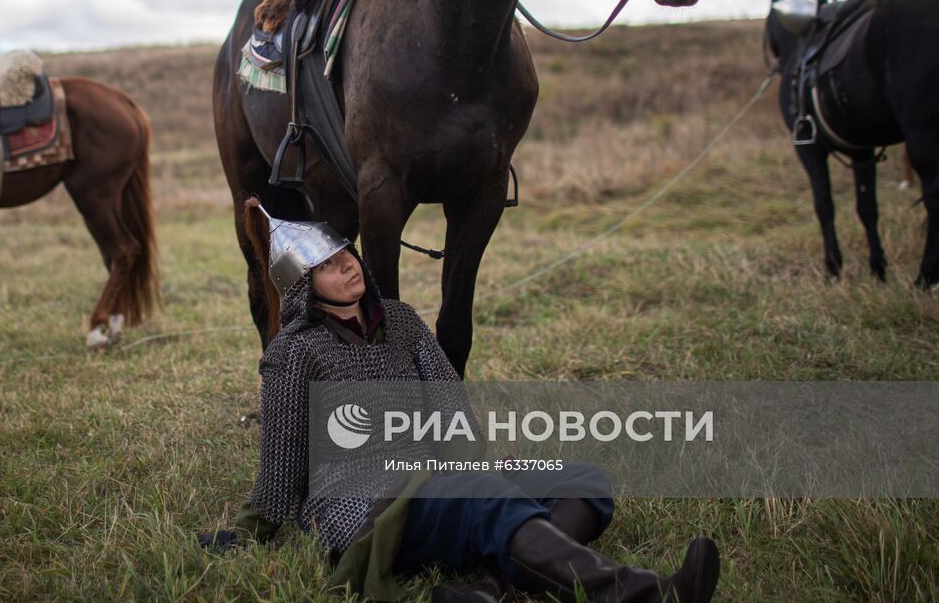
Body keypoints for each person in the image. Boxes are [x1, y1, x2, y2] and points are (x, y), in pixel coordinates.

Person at [199, 199, 721, 602]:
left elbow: (451, 409)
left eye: (346, 254)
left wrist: (481, 471)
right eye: (330, 265)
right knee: (490, 503)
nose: (349, 266)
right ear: (305, 288)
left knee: (583, 481)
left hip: (438, 479)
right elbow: (282, 459)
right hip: (367, 506)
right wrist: (252, 526)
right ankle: (648, 593)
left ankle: (486, 590)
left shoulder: (399, 321)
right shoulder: (295, 352)